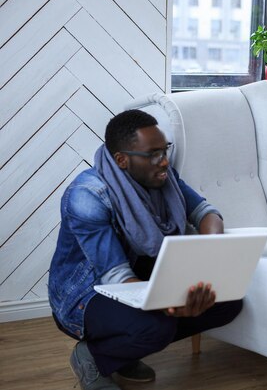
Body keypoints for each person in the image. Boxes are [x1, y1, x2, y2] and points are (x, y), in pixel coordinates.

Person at [48, 110, 242, 390]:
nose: (163, 160)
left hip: (138, 273)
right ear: (122, 160)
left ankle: (123, 352)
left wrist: (208, 256)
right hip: (85, 294)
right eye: (153, 154)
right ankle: (94, 356)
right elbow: (115, 277)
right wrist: (171, 305)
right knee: (155, 327)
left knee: (226, 302)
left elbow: (205, 212)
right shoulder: (87, 196)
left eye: (164, 150)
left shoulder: (164, 177)